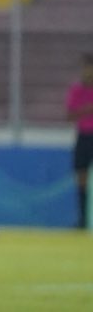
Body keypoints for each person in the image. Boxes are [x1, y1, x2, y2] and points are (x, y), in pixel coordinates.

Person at [67, 54, 93, 229]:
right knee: (82, 179)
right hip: (84, 136)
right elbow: (69, 115)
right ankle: (83, 219)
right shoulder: (77, 90)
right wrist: (87, 109)